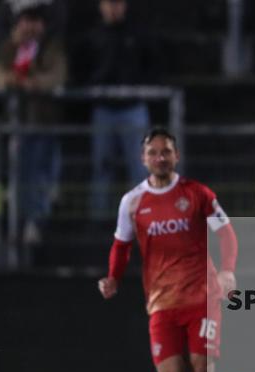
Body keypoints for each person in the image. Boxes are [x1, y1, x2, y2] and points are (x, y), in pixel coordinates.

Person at [97, 128, 238, 372]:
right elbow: (121, 245)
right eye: (154, 152)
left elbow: (227, 233)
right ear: (143, 158)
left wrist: (228, 270)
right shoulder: (133, 202)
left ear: (176, 155)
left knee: (203, 367)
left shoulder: (198, 193)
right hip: (162, 301)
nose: (160, 157)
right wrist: (113, 278)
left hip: (203, 294)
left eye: (166, 151)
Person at [76, 0, 158, 225]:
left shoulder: (138, 33)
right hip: (104, 110)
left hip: (133, 109)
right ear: (100, 6)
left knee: (139, 168)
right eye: (109, 3)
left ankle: (144, 221)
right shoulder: (92, 36)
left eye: (118, 3)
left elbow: (152, 65)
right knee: (102, 167)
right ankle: (99, 221)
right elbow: (82, 69)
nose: (114, 8)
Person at [0, 6, 67, 244]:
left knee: (38, 175)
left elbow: (57, 75)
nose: (30, 27)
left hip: (42, 123)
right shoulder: (8, 48)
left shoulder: (51, 48)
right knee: (15, 176)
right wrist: (11, 79)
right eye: (25, 21)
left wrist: (34, 81)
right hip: (15, 126)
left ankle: (35, 221)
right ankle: (13, 224)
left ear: (42, 25)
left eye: (35, 22)